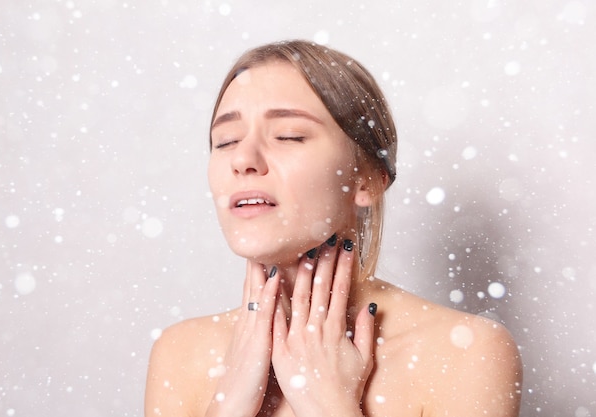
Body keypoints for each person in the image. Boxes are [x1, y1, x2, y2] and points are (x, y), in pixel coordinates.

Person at [145, 40, 522, 417]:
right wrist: (228, 406)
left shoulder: (464, 352)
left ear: (367, 179)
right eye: (225, 141)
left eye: (289, 135)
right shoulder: (182, 354)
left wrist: (330, 407)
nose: (243, 158)